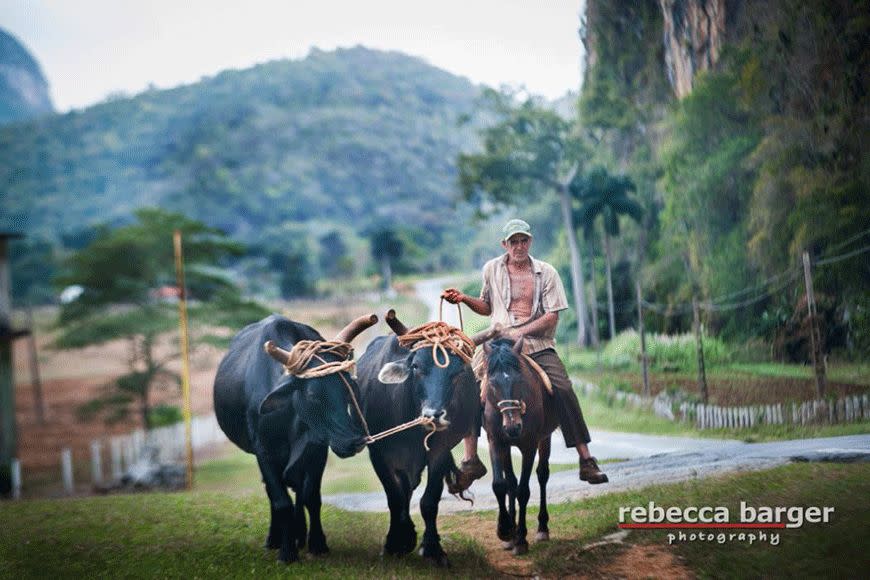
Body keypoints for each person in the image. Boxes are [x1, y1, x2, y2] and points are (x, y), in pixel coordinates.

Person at [442, 218, 608, 491]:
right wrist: (463, 299)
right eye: (513, 242)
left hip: (537, 344)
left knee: (564, 388)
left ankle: (586, 459)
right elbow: (486, 306)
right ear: (504, 244)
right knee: (467, 387)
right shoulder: (491, 269)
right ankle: (471, 459)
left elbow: (552, 316)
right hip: (497, 342)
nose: (519, 246)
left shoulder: (547, 272)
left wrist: (521, 332)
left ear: (530, 241)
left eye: (523, 240)